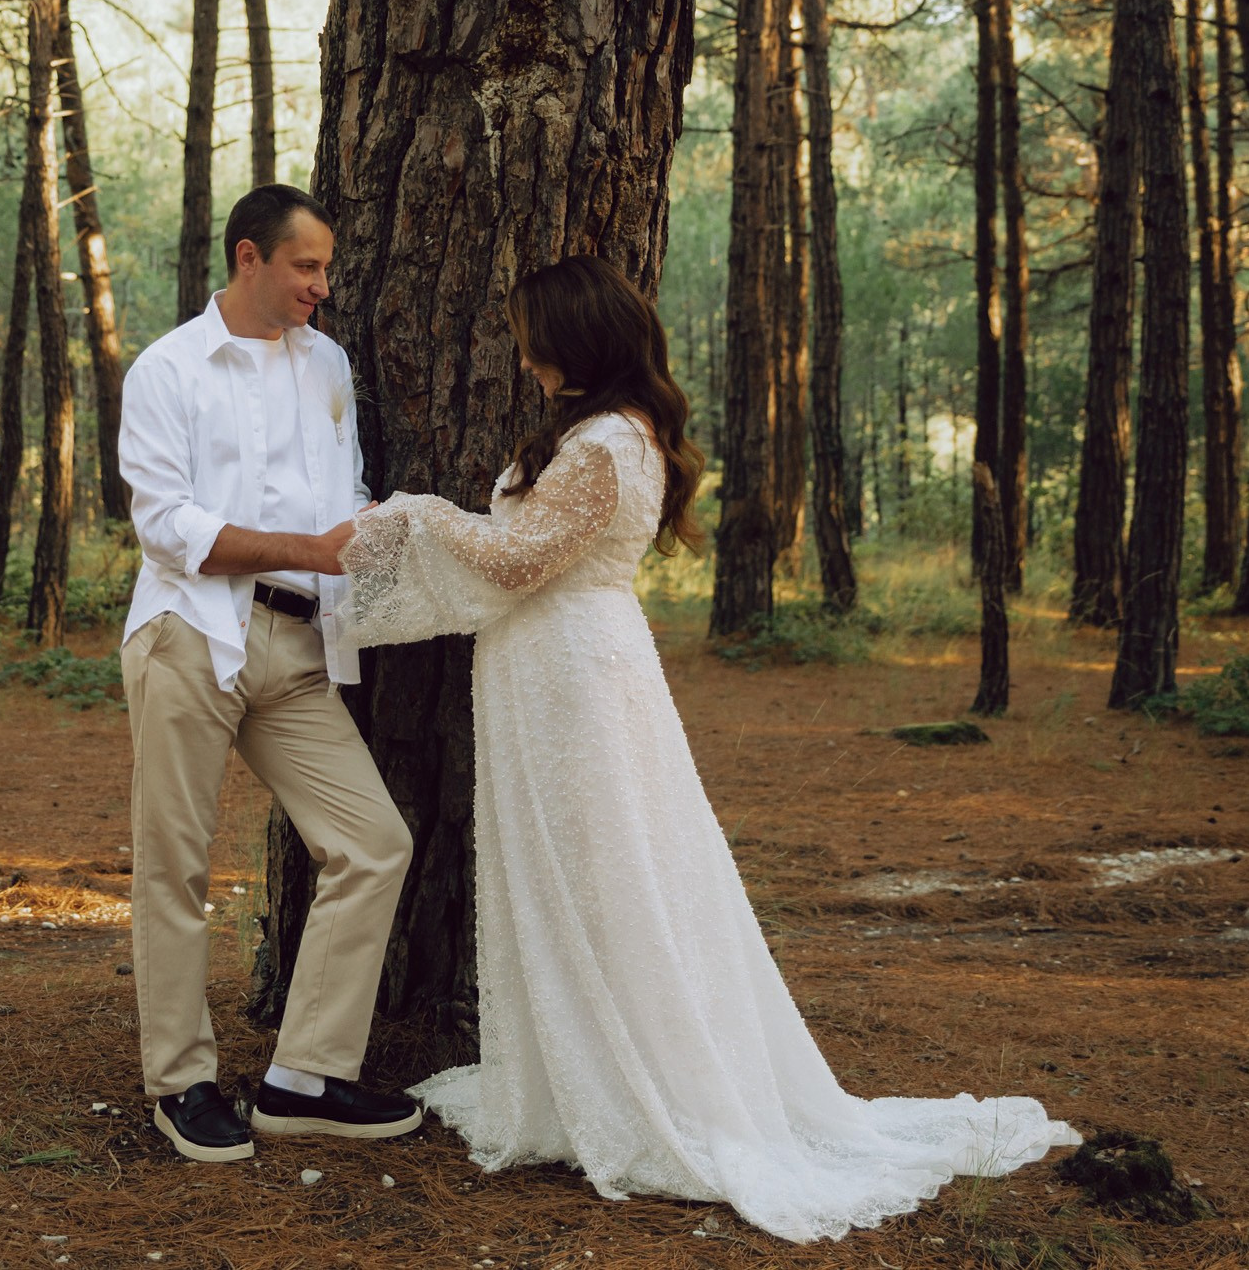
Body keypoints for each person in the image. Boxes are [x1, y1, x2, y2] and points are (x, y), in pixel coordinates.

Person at [337, 254, 1078, 1241]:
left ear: (573, 341)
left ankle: (639, 1085)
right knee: (584, 871)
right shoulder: (604, 433)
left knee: (604, 876)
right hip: (551, 668)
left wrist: (422, 514)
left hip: (571, 677)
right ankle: (578, 1074)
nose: (522, 353)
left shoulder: (603, 442)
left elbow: (518, 561)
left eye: (532, 334)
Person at [116, 184, 426, 1163]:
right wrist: (312, 545)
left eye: (325, 269)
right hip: (188, 638)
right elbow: (166, 528)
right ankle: (180, 1082)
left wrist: (390, 538)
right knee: (174, 865)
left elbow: (345, 494)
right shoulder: (167, 371)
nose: (320, 288)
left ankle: (301, 1077)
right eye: (305, 267)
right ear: (249, 257)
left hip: (300, 650)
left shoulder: (327, 362)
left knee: (373, 844)